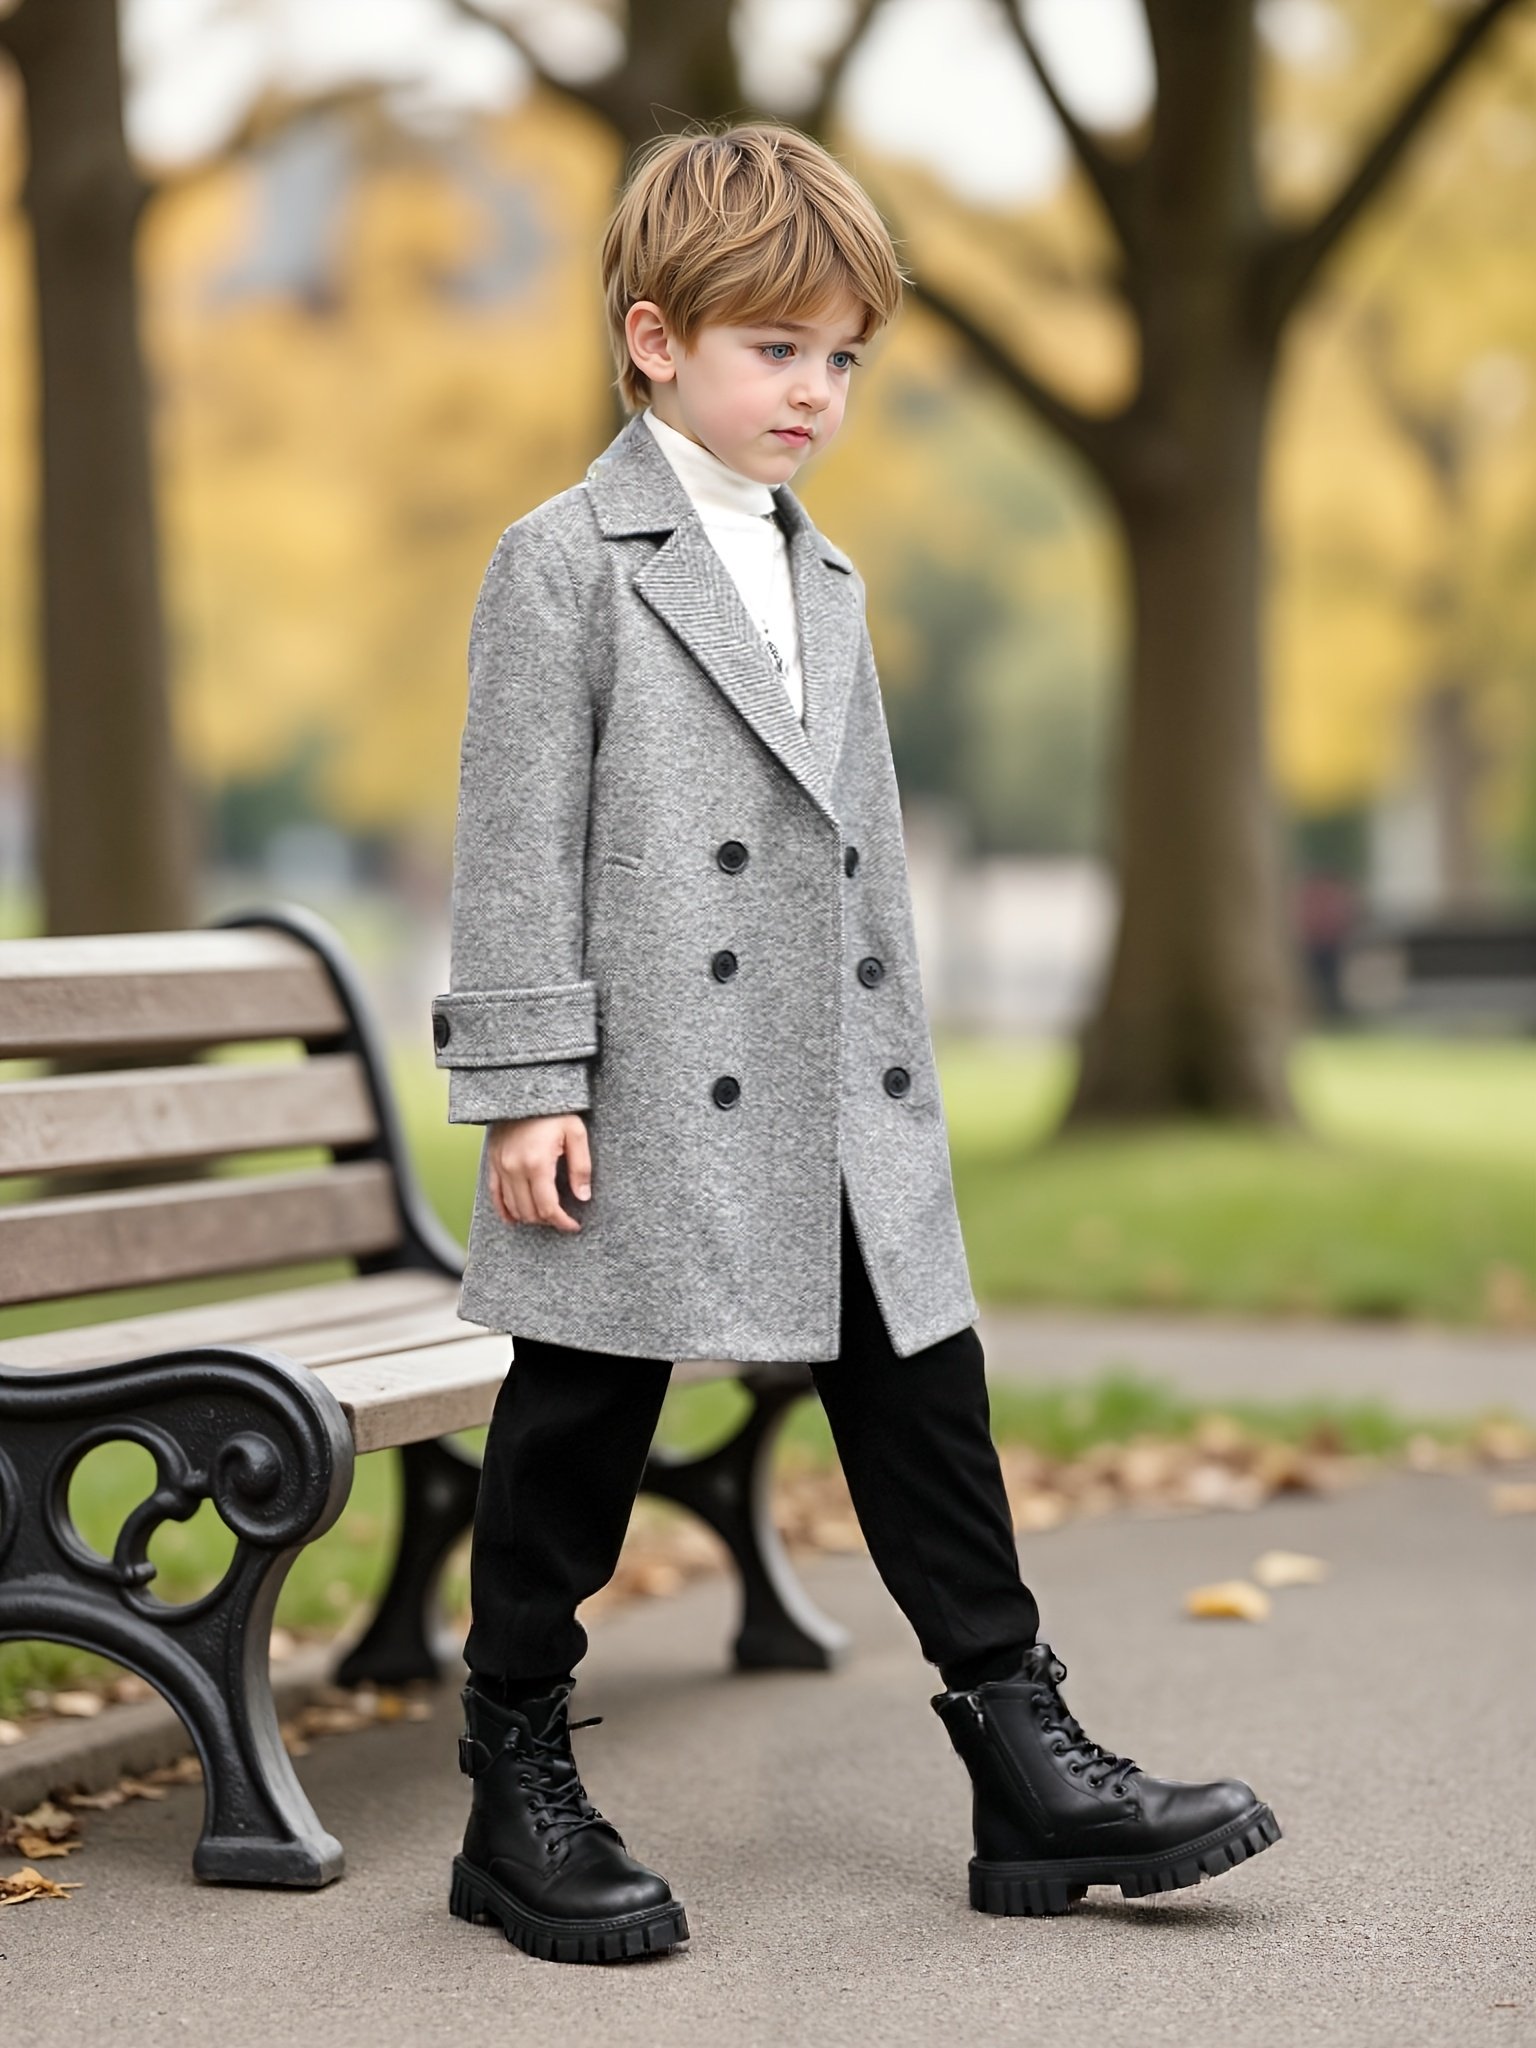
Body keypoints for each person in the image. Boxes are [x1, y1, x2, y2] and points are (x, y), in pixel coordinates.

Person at [431, 121, 1281, 1965]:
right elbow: (514, 847)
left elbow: (863, 860)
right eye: (776, 349)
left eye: (843, 358)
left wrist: (896, 1094)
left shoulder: (826, 577)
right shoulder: (563, 560)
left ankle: (1022, 1754)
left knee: (923, 1390)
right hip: (639, 1089)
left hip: (830, 1089)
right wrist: (526, 1087)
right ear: (656, 340)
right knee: (578, 1418)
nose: (816, 390)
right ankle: (514, 1779)